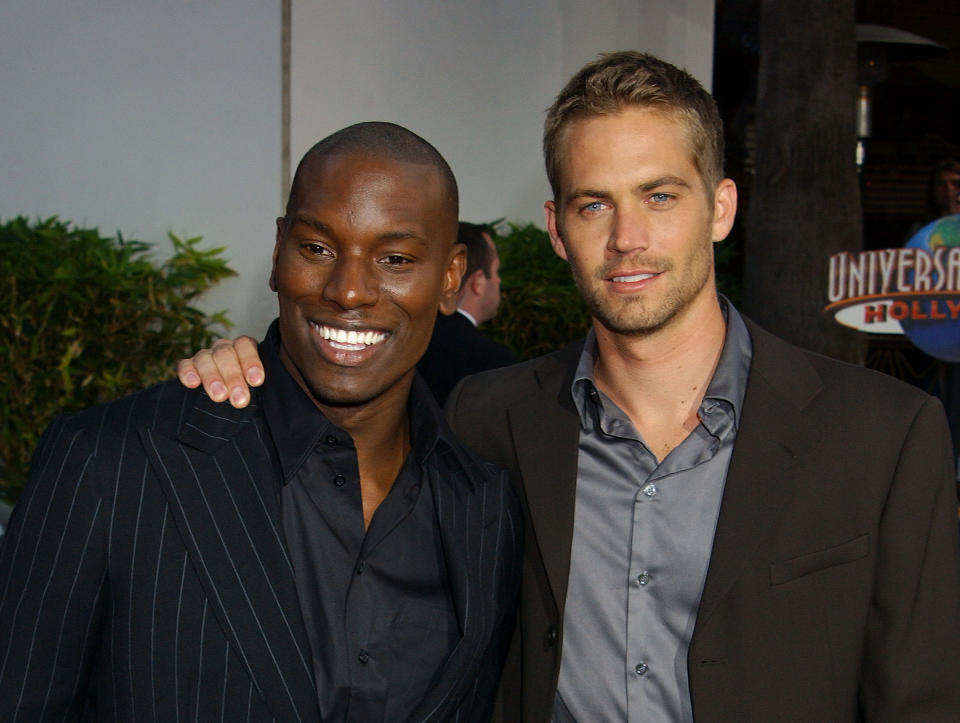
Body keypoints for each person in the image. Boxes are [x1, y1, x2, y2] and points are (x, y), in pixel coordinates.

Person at [177, 53, 960, 721]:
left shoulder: (882, 435)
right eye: (595, 204)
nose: (628, 238)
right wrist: (250, 371)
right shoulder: (485, 419)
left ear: (720, 208)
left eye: (660, 195)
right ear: (557, 229)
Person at [0, 122, 522, 721]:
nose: (349, 290)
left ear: (451, 278)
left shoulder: (489, 507)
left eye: (395, 258)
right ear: (278, 252)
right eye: (318, 248)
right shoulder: (111, 463)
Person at [417, 221, 517, 404]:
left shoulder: (406, 343)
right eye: (496, 272)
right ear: (478, 281)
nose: (499, 281)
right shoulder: (492, 360)